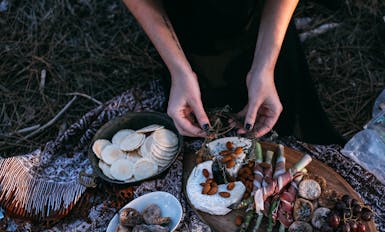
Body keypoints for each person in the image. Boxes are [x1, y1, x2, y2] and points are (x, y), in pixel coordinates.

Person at [122, 0, 345, 144]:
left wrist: (265, 67)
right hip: (187, 25)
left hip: (261, 16)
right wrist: (179, 71)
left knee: (291, 123)